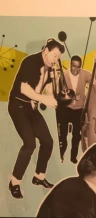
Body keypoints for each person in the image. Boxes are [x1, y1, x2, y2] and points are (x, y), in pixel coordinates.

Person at [7, 38, 64, 200]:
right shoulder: (30, 62)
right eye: (54, 56)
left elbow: (48, 90)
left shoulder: (50, 67)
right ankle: (14, 182)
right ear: (46, 51)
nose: (56, 60)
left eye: (58, 58)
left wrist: (54, 84)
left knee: (48, 142)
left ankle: (39, 176)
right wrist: (44, 99)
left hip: (32, 108)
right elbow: (24, 88)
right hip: (18, 105)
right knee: (30, 144)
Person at [56, 54, 91, 165]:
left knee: (76, 135)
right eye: (74, 66)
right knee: (63, 134)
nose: (76, 69)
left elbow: (95, 78)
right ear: (70, 64)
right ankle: (62, 153)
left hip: (79, 109)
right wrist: (70, 97)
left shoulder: (84, 74)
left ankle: (73, 157)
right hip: (66, 109)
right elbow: (58, 93)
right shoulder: (64, 75)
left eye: (78, 67)